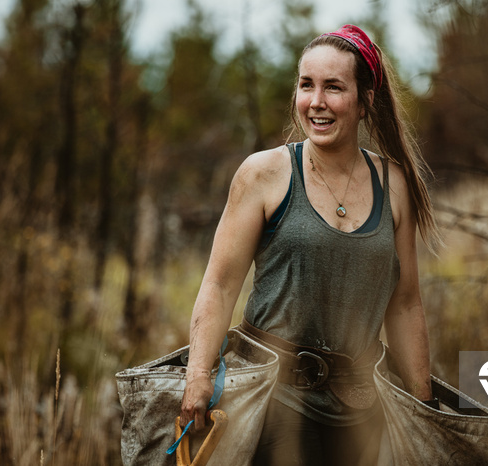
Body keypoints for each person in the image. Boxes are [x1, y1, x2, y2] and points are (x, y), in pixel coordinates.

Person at [180, 24, 440, 466]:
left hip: (361, 412)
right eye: (307, 85)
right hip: (274, 402)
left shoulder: (393, 185)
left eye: (334, 87)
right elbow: (220, 285)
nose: (316, 102)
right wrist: (198, 376)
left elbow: (406, 304)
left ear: (365, 101)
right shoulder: (264, 175)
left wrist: (422, 409)